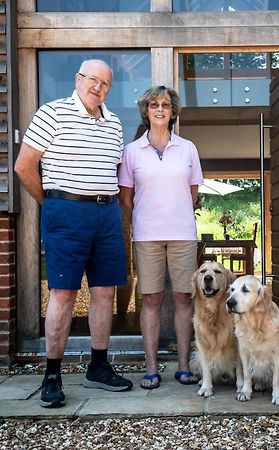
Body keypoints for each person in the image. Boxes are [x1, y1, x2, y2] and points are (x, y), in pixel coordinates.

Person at [14, 59, 133, 408]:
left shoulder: (114, 124)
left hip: (107, 213)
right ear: (78, 79)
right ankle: (52, 374)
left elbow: (111, 169)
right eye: (92, 79)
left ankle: (98, 366)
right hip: (65, 210)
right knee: (63, 294)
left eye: (106, 83)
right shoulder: (52, 113)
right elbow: (23, 166)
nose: (98, 87)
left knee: (105, 292)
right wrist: (50, 202)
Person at [118, 86, 203, 389]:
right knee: (151, 299)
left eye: (165, 104)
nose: (159, 109)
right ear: (146, 111)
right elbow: (126, 197)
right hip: (147, 236)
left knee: (183, 297)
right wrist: (142, 220)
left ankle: (183, 366)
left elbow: (192, 193)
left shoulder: (188, 148)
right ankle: (151, 368)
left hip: (182, 234)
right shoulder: (131, 152)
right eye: (154, 104)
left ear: (172, 111)